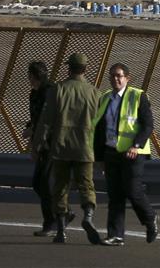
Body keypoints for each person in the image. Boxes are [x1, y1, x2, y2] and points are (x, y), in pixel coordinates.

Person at [32, 52, 101, 245]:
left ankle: (61, 230)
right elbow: (100, 125)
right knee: (86, 185)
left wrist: (37, 146)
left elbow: (45, 122)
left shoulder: (58, 90)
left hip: (61, 148)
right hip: (85, 148)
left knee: (60, 188)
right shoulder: (95, 93)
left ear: (68, 68)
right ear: (85, 69)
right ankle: (88, 216)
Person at [93, 63, 158, 246]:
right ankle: (115, 235)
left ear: (127, 78)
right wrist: (99, 158)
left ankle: (150, 218)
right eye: (113, 76)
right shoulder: (105, 97)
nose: (116, 79)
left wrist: (136, 145)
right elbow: (99, 129)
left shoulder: (138, 96)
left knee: (132, 190)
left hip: (133, 153)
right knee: (115, 195)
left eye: (119, 76)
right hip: (111, 152)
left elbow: (148, 125)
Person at [23, 61, 74, 237]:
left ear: (34, 76)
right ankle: (63, 213)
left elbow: (51, 118)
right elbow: (36, 117)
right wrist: (30, 128)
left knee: (44, 183)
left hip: (52, 144)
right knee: (39, 183)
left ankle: (53, 221)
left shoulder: (50, 92)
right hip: (41, 142)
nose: (29, 79)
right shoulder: (34, 93)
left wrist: (40, 138)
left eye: (30, 75)